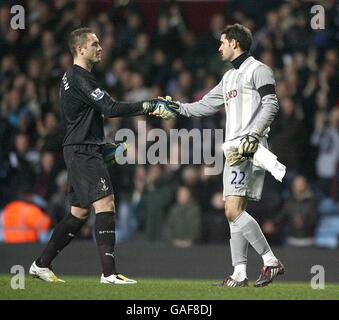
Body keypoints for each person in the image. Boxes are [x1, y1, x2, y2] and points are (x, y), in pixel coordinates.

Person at [29, 27, 166, 284]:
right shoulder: (79, 77)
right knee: (106, 203)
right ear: (80, 49)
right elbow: (110, 108)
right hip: (82, 150)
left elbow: (84, 117)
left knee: (78, 213)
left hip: (82, 147)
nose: (100, 48)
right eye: (94, 44)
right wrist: (148, 105)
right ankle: (109, 274)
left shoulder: (73, 77)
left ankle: (40, 264)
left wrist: (101, 146)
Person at [153, 24, 284, 287]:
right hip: (233, 150)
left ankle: (270, 261)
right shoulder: (228, 78)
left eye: (222, 42)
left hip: (248, 148)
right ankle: (239, 273)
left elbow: (272, 104)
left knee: (232, 210)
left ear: (235, 43)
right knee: (234, 212)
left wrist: (254, 134)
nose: (219, 47)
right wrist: (175, 108)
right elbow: (203, 106)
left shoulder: (259, 70)